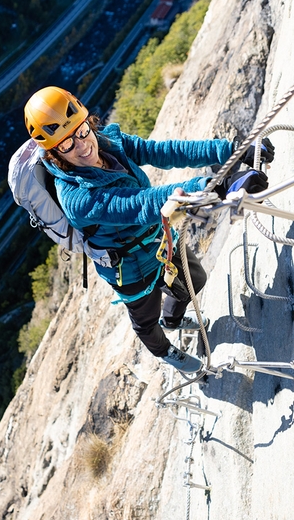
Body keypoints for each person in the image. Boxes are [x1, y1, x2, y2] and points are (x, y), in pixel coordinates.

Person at [23, 86, 274, 373]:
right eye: (66, 144)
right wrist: (215, 185)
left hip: (159, 241)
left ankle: (175, 321)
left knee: (196, 281)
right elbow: (141, 204)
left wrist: (232, 150)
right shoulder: (77, 198)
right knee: (146, 321)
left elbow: (162, 152)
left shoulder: (107, 141)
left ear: (87, 122)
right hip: (129, 270)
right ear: (55, 154)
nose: (82, 145)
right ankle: (166, 352)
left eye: (81, 130)